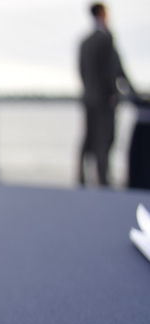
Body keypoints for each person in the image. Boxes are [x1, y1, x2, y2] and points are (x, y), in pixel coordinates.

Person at [78, 3, 134, 186]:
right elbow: (114, 68)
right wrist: (118, 92)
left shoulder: (85, 42)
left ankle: (82, 177)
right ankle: (102, 179)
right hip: (104, 99)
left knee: (89, 138)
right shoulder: (105, 38)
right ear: (101, 13)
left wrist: (89, 92)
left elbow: (82, 70)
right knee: (104, 139)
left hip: (89, 98)